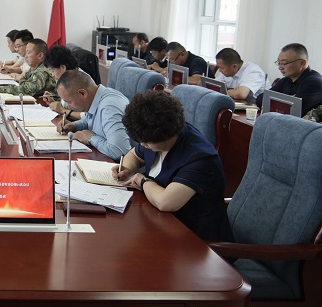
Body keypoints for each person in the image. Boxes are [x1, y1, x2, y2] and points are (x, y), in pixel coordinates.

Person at [113, 90, 233, 242]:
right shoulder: (156, 135)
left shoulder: (201, 158)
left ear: (164, 136)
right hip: (159, 223)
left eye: (146, 143)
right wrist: (127, 169)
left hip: (196, 240)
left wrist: (142, 180)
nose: (143, 145)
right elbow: (135, 155)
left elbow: (165, 202)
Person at [55, 70, 131, 161]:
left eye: (69, 102)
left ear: (83, 93)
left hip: (120, 166)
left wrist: (90, 138)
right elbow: (90, 120)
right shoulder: (96, 98)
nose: (69, 106)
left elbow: (119, 151)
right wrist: (74, 125)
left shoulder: (109, 107)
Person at [256, 43, 322, 116]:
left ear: (302, 63)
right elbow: (260, 100)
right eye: (279, 63)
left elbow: (295, 111)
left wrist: (278, 99)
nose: (280, 67)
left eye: (284, 63)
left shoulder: (314, 82)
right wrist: (289, 99)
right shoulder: (286, 80)